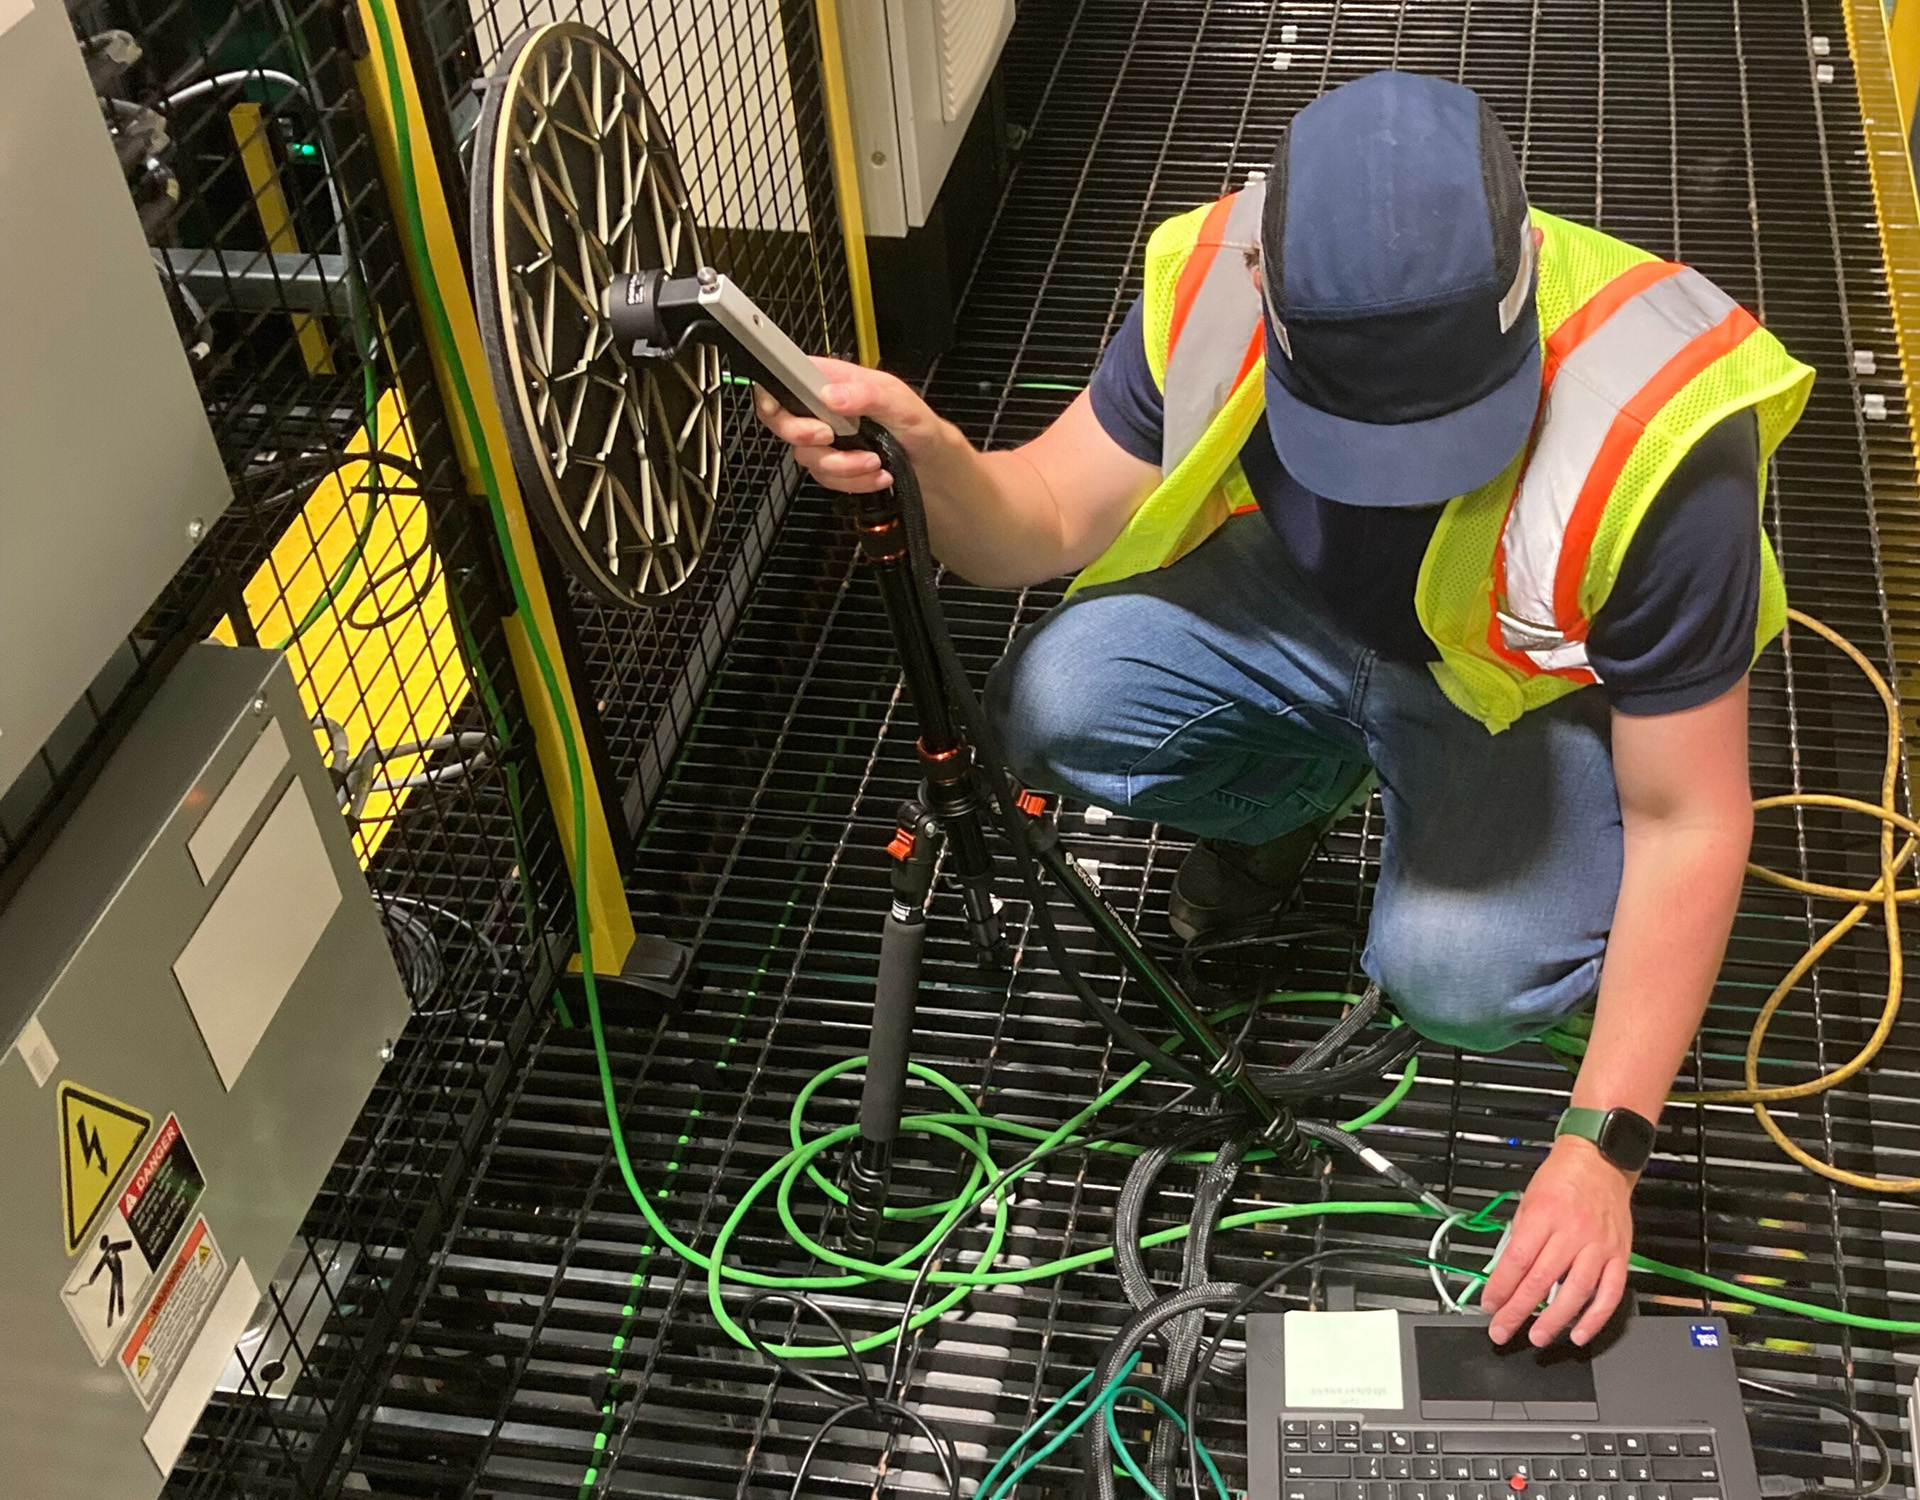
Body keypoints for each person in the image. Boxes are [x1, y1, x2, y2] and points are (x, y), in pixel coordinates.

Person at [754, 71, 1811, 1348]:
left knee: (1459, 979)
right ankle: (1303, 802)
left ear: (1525, 276)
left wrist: (1602, 1146)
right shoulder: (1215, 284)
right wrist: (930, 455)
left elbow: (1690, 817)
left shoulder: (1659, 440)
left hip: (1522, 696)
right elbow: (1033, 518)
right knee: (1052, 700)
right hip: (1310, 619)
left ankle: (1490, 870)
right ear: (1276, 295)